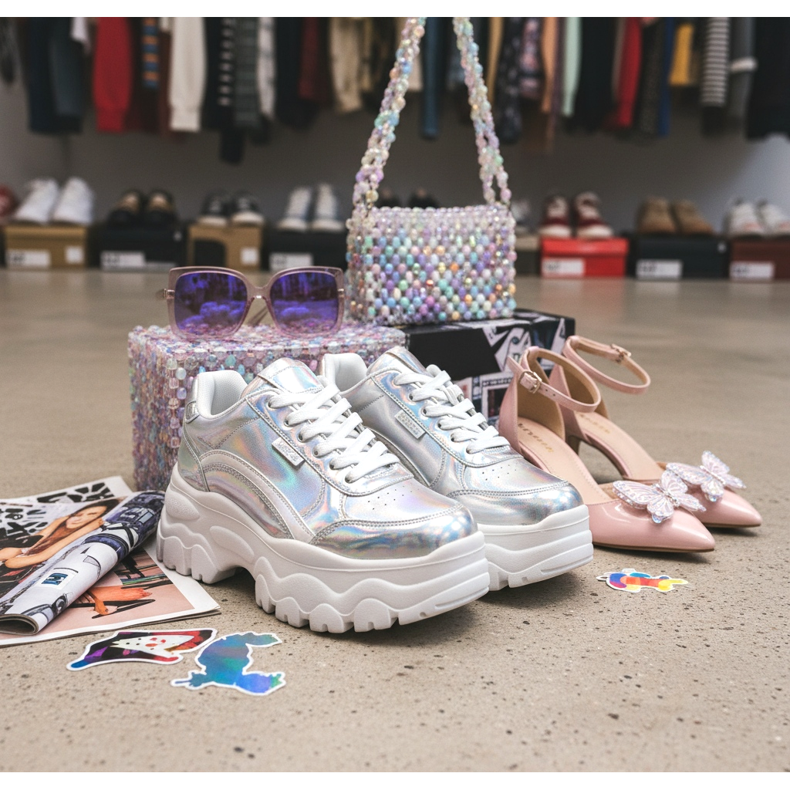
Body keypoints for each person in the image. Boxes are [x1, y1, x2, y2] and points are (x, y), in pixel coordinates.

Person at [0, 499, 120, 570]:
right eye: (77, 515)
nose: (78, 519)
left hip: (28, 562)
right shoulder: (58, 528)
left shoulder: (84, 534)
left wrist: (87, 528)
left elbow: (41, 557)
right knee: (10, 552)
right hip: (24, 555)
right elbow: (39, 538)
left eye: (92, 515)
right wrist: (57, 523)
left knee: (11, 560)